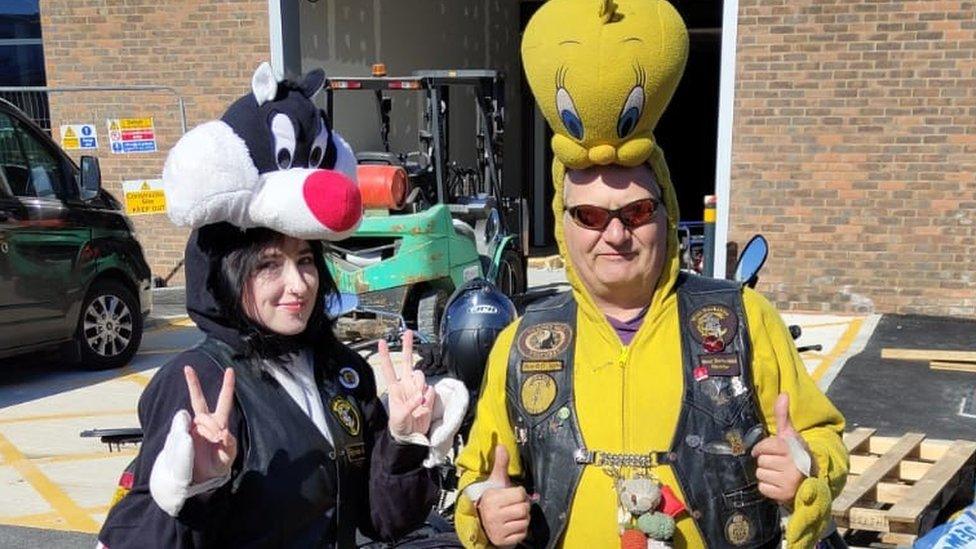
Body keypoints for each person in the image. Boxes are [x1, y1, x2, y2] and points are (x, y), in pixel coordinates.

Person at [452, 1, 848, 547]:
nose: (614, 235)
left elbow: (821, 436)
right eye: (588, 216)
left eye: (635, 212)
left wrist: (805, 467)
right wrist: (483, 509)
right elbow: (478, 475)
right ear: (562, 225)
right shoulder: (522, 342)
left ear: (665, 211)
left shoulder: (743, 319)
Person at [97, 62, 465, 548]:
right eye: (269, 264)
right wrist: (194, 494)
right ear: (228, 273)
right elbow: (134, 539)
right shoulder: (199, 383)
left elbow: (382, 521)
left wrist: (403, 440)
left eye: (306, 260)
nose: (297, 284)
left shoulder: (342, 371)